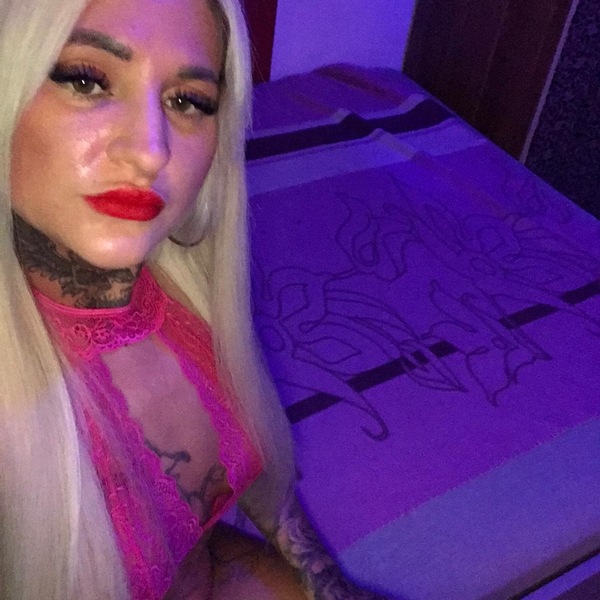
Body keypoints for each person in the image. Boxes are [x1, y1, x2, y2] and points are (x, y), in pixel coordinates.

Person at [0, 0, 389, 598]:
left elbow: (236, 518)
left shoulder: (189, 295)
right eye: (86, 79)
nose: (151, 151)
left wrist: (329, 588)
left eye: (187, 101)